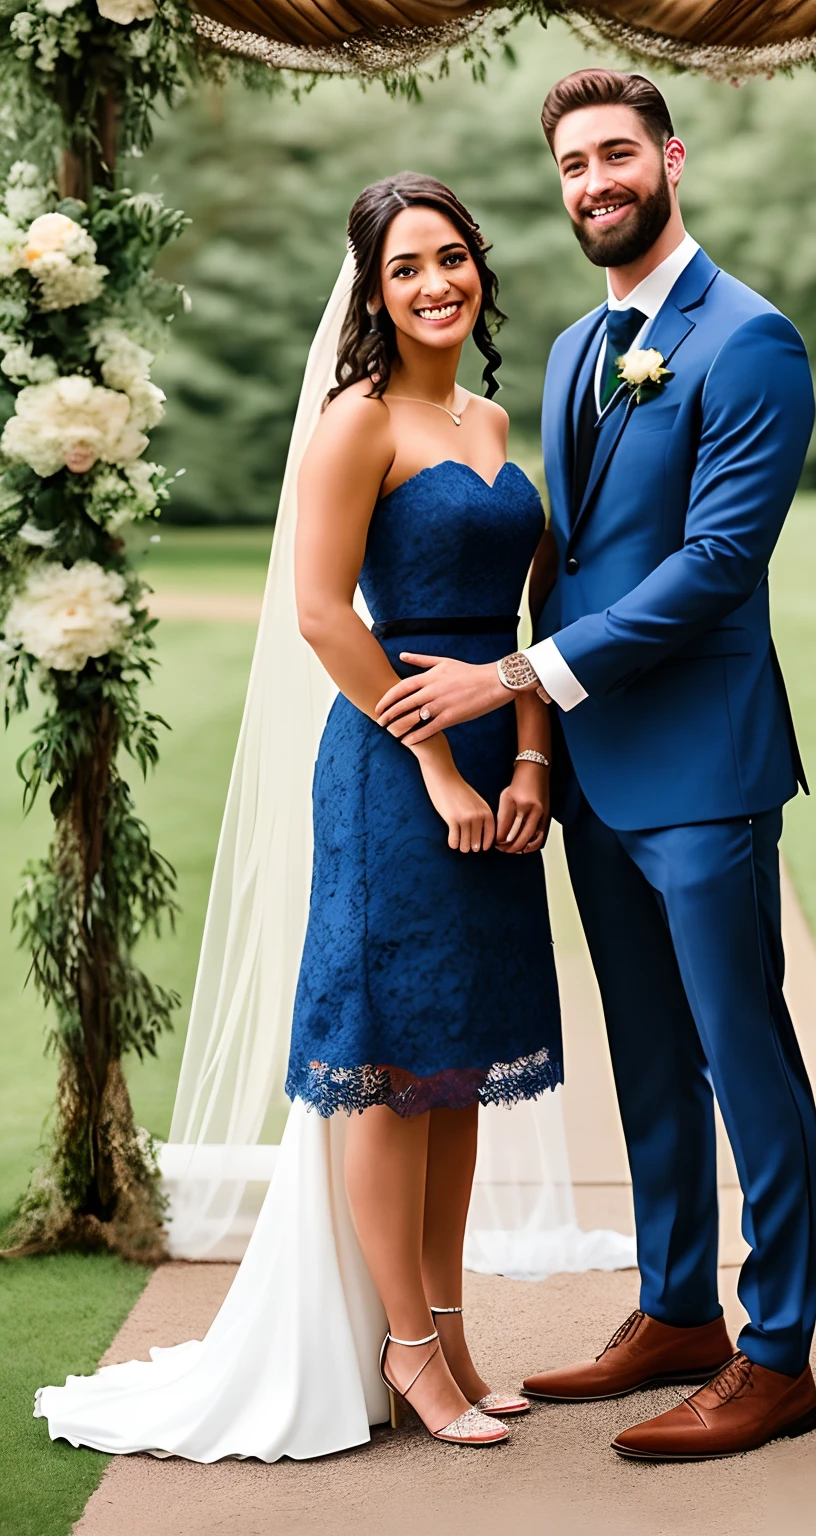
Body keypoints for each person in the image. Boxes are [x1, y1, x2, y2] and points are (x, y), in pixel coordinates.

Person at [34, 174, 562, 1458]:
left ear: (479, 269)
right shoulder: (357, 422)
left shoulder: (495, 418)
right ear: (373, 294)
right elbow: (327, 612)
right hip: (398, 763)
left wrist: (532, 760)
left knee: (456, 1068)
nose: (434, 282)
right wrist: (439, 766)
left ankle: (450, 1323)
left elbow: (537, 624)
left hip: (503, 741)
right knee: (387, 1066)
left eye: (451, 258)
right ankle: (409, 1353)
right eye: (404, 269)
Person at [375, 71, 816, 1462]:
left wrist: (516, 681)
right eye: (572, 165)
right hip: (590, 774)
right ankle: (677, 1307)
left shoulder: (752, 341)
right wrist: (536, 739)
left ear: (670, 159)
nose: (593, 183)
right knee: (646, 1056)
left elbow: (712, 568)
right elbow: (560, 565)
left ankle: (779, 1350)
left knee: (741, 1050)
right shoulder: (576, 348)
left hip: (702, 765)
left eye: (616, 155)